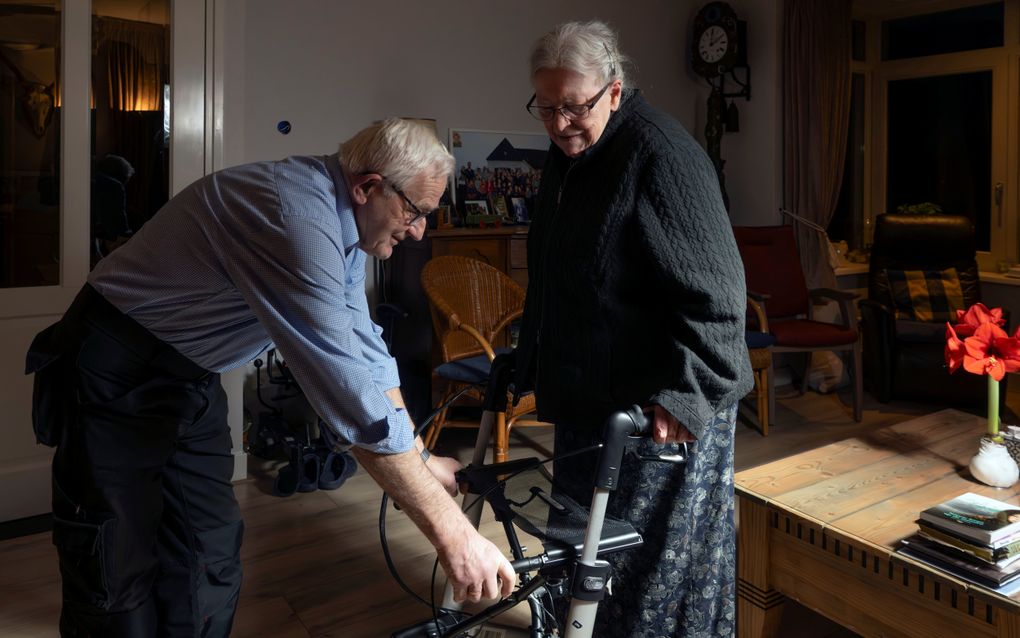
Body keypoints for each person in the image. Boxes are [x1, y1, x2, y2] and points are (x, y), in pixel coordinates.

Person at [25, 118, 515, 637]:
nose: (418, 230)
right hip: (114, 361)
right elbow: (346, 394)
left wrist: (418, 453)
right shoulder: (296, 218)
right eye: (415, 212)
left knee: (208, 551)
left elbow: (365, 351)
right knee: (114, 563)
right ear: (369, 187)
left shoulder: (346, 222)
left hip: (191, 374)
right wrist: (454, 536)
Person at [514, 21, 753, 637]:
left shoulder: (662, 155)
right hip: (588, 396)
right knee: (582, 560)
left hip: (660, 404)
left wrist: (688, 390)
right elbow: (556, 268)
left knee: (648, 575)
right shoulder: (571, 157)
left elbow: (723, 296)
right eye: (546, 107)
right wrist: (528, 353)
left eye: (574, 106)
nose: (559, 123)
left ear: (614, 92)